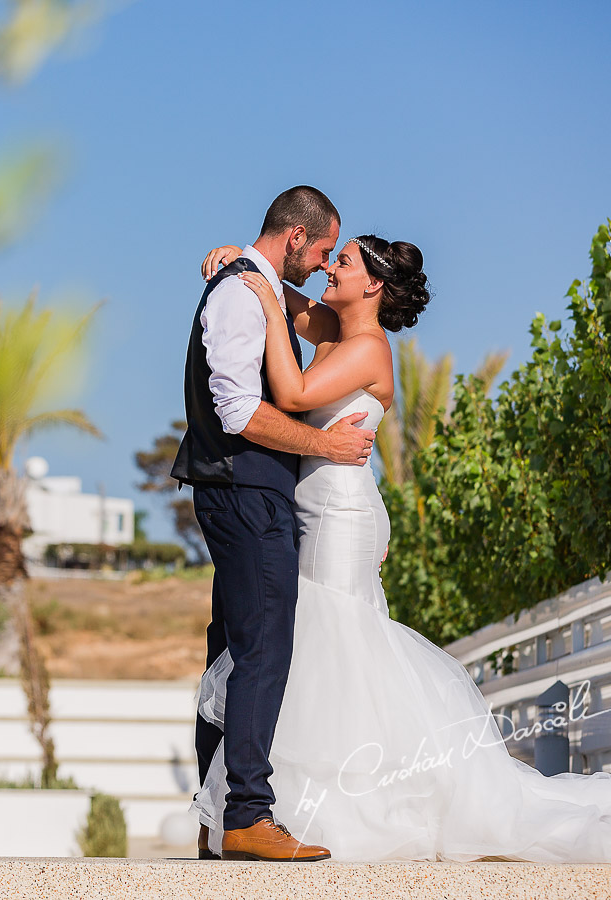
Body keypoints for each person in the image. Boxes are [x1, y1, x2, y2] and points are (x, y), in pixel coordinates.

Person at [192, 235, 611, 862]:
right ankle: (267, 804)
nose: (331, 266)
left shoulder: (368, 349)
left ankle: (331, 804)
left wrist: (267, 304)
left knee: (328, 642)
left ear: (375, 286)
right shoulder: (331, 322)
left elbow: (296, 394)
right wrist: (245, 261)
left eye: (345, 261)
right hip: (319, 507)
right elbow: (283, 291)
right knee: (310, 648)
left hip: (339, 516)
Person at [171, 186, 375, 862]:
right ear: (295, 238)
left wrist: (248, 269)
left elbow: (307, 323)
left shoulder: (254, 286)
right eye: (321, 251)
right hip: (243, 488)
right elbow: (237, 412)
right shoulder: (240, 294)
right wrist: (326, 447)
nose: (322, 265)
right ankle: (247, 814)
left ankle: (214, 817)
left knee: (232, 651)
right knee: (262, 649)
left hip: (248, 490)